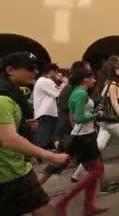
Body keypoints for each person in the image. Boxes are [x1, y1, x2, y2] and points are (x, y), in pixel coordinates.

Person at [0, 51, 70, 216]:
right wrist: (51, 156)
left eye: (36, 67)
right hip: (8, 171)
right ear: (10, 70)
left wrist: (23, 125)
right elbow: (8, 139)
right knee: (45, 210)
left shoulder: (13, 91)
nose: (36, 72)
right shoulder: (3, 98)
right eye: (30, 68)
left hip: (15, 168)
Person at [72, 56, 119, 182]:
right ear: (115, 69)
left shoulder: (106, 83)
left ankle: (76, 174)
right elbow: (115, 103)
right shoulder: (112, 85)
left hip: (103, 120)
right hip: (112, 120)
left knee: (98, 146)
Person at [55, 63, 109, 216]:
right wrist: (96, 115)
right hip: (84, 137)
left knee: (95, 170)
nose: (94, 80)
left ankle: (89, 206)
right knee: (95, 171)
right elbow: (78, 118)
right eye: (92, 77)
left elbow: (77, 114)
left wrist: (93, 110)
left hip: (85, 135)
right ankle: (62, 201)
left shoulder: (78, 92)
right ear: (85, 79)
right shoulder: (81, 94)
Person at [32, 63, 62, 150]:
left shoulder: (42, 80)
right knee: (43, 136)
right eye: (56, 72)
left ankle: (43, 154)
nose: (57, 74)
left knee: (48, 137)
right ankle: (38, 154)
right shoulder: (45, 81)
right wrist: (63, 82)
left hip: (47, 112)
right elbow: (59, 92)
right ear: (52, 71)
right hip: (46, 112)